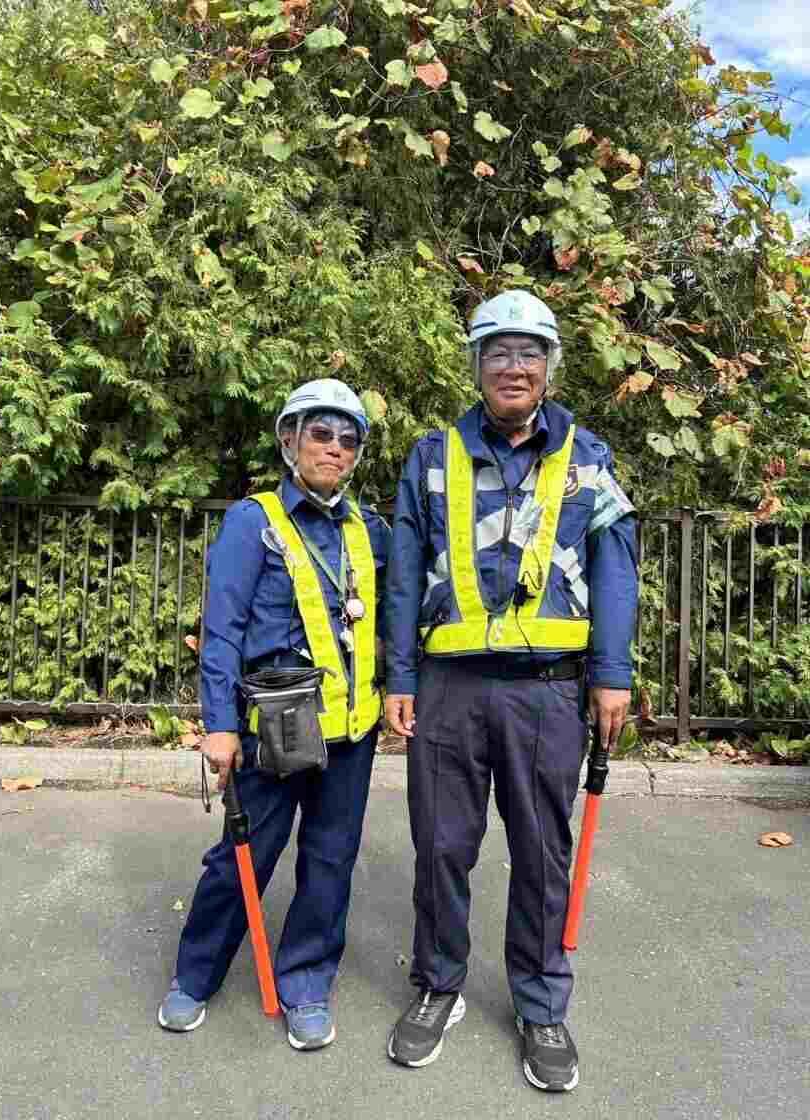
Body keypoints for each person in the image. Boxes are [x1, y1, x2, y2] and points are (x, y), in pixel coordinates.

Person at [383, 290, 637, 1092]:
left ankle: (539, 1002)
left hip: (547, 694)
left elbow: (614, 570)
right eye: (497, 354)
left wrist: (612, 673)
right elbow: (399, 577)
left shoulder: (589, 457)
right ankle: (439, 985)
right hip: (450, 687)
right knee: (442, 849)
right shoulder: (431, 456)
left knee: (541, 854)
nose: (513, 367)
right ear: (478, 368)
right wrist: (398, 676)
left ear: (550, 368)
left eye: (528, 354)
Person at [158, 378, 390, 1051]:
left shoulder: (367, 528)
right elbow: (223, 628)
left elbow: (378, 622)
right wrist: (220, 724)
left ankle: (307, 983)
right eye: (322, 432)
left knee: (330, 860)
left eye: (349, 438)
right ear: (291, 440)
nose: (336, 448)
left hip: (350, 733)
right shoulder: (252, 521)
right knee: (243, 857)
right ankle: (194, 976)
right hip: (274, 726)